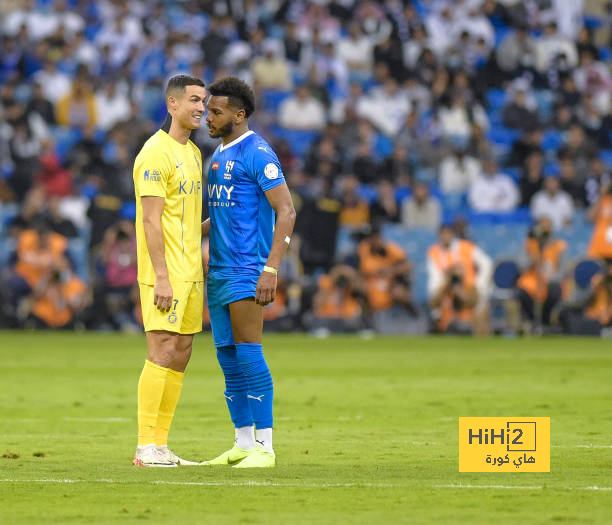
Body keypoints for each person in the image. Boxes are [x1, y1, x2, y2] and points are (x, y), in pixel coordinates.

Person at [201, 77, 296, 468]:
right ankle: (241, 443)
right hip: (218, 270)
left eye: (216, 111)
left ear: (239, 115)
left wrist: (271, 268)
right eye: (207, 110)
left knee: (250, 353)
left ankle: (265, 447)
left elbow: (286, 211)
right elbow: (221, 217)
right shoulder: (217, 155)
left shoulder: (258, 152)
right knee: (227, 357)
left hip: (246, 268)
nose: (207, 117)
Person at [132, 74, 206, 467]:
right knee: (160, 350)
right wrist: (161, 275)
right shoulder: (154, 153)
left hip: (191, 270)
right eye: (194, 100)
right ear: (172, 104)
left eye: (204, 101)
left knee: (180, 353)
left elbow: (186, 221)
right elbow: (150, 221)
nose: (200, 107)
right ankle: (145, 447)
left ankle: (161, 445)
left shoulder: (193, 153)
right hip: (166, 272)